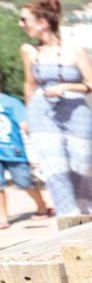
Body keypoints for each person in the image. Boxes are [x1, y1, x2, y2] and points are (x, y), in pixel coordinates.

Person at [19, 0, 92, 217]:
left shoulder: (75, 52)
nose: (21, 24)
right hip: (42, 114)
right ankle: (68, 216)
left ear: (42, 22)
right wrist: (28, 117)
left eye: (25, 19)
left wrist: (65, 86)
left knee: (84, 166)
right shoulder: (29, 51)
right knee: (55, 168)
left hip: (76, 112)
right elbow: (29, 85)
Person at [0, 70, 51, 227]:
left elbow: (24, 123)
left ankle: (42, 206)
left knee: (24, 182)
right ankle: (3, 218)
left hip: (14, 150)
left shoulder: (11, 102)